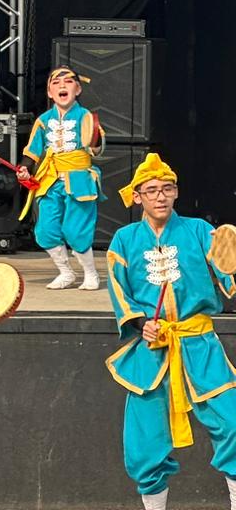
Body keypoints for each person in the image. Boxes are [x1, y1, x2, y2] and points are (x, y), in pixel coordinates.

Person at [105, 153, 236, 510]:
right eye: (151, 190)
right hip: (152, 352)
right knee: (145, 444)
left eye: (167, 189)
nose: (160, 196)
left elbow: (227, 274)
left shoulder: (198, 231)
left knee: (234, 422)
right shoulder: (124, 240)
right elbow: (119, 290)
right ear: (137, 197)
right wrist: (139, 323)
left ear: (176, 193)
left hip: (200, 346)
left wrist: (232, 263)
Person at [16, 67, 105, 290]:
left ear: (78, 88)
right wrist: (25, 169)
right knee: (45, 229)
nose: (62, 86)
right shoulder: (44, 120)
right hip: (50, 180)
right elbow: (32, 151)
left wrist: (93, 141)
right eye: (56, 83)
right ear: (49, 92)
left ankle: (91, 274)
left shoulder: (85, 116)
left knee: (76, 230)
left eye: (68, 82)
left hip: (79, 180)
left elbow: (96, 147)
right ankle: (66, 272)